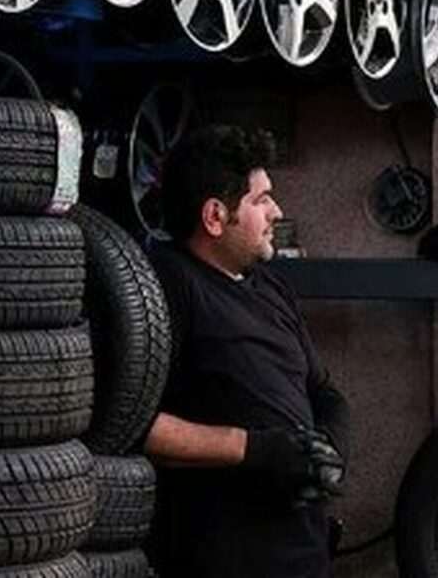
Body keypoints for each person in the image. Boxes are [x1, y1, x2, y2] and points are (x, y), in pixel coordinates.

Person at [140, 124, 351, 578]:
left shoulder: (271, 287)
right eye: (261, 200)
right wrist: (255, 449)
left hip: (302, 554)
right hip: (221, 557)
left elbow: (324, 391)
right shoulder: (166, 287)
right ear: (215, 216)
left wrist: (328, 448)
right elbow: (135, 426)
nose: (277, 211)